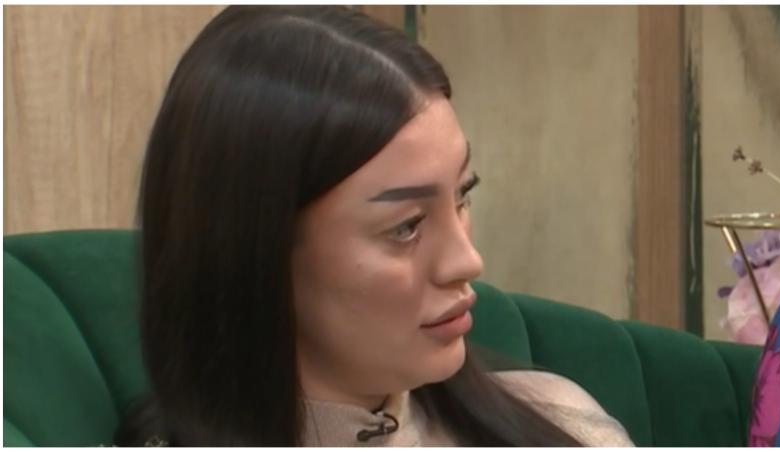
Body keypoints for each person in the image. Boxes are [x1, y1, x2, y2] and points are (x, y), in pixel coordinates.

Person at [114, 5, 633, 447]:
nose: (466, 260)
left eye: (463, 194)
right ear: (253, 252)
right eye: (406, 226)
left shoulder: (558, 418)